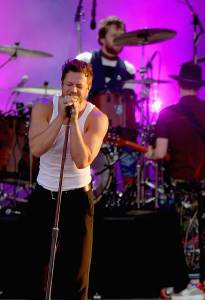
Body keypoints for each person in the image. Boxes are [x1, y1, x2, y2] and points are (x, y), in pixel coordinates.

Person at [18, 59, 108, 300]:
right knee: (39, 270)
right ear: (61, 84)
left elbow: (83, 159)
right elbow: (37, 149)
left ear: (88, 88)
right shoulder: (44, 109)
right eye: (69, 85)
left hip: (77, 199)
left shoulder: (98, 118)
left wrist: (74, 124)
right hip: (45, 195)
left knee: (76, 274)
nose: (73, 91)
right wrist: (61, 120)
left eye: (79, 87)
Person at [148, 61, 205, 300]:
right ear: (199, 87)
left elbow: (161, 153)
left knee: (190, 230)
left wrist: (149, 154)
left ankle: (194, 286)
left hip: (183, 179)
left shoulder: (167, 114)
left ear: (179, 85)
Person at [77, 16, 137, 187]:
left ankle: (129, 191)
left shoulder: (129, 69)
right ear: (102, 38)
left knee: (132, 146)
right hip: (90, 127)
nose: (119, 39)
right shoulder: (86, 60)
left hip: (121, 130)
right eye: (114, 35)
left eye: (122, 35)